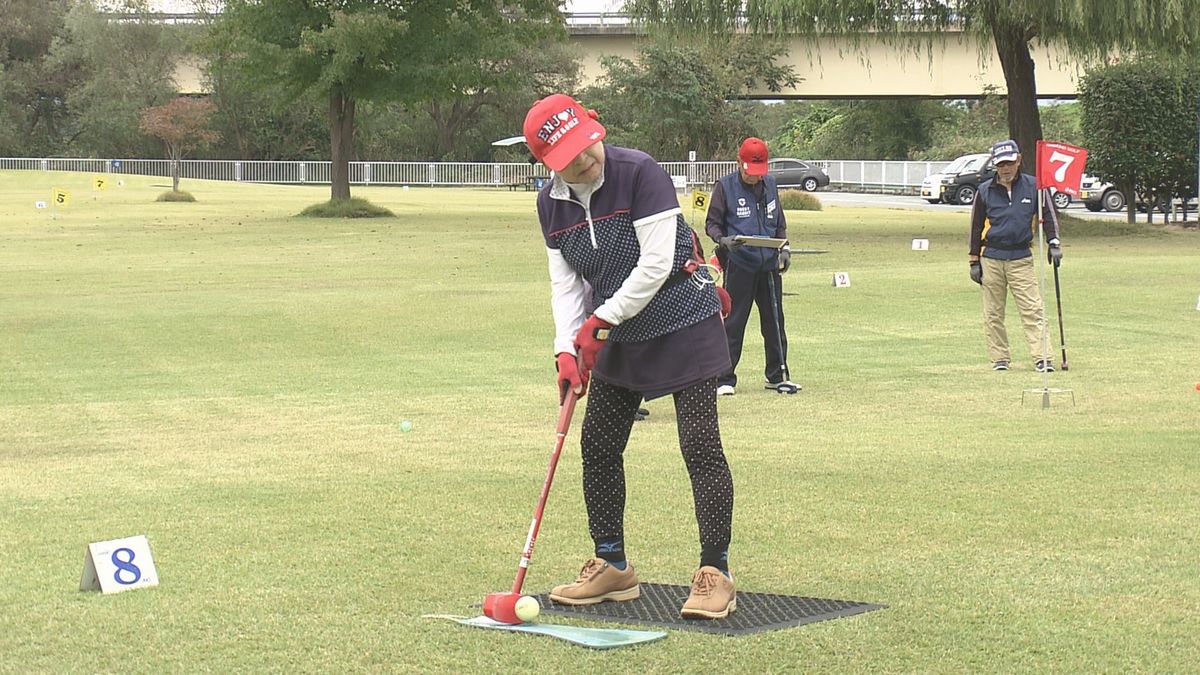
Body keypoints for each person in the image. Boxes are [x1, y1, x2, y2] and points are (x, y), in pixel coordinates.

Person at [524, 93, 737, 619]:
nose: (587, 158)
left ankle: (716, 572)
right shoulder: (550, 203)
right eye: (571, 156)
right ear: (547, 164)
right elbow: (567, 285)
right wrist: (564, 347)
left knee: (699, 443)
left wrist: (599, 323)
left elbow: (656, 264)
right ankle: (613, 565)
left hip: (682, 314)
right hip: (616, 329)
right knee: (597, 444)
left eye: (588, 144)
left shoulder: (641, 171)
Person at [706, 137, 798, 396]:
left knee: (774, 321)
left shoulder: (770, 184)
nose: (755, 178)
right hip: (739, 263)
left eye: (759, 173)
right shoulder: (725, 186)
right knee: (734, 322)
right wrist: (723, 241)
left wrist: (785, 248)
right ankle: (723, 378)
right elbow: (712, 224)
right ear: (739, 162)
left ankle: (777, 375)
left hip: (768, 264)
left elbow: (779, 222)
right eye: (750, 173)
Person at [968, 139, 1063, 372]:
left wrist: (1054, 242)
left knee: (1033, 309)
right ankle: (1000, 358)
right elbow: (975, 227)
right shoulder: (984, 191)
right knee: (993, 313)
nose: (1006, 168)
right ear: (995, 165)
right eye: (1001, 164)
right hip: (991, 258)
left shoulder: (1035, 186)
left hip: (1021, 257)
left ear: (1018, 160)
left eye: (1010, 163)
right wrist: (973, 260)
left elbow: (1048, 216)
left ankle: (1043, 357)